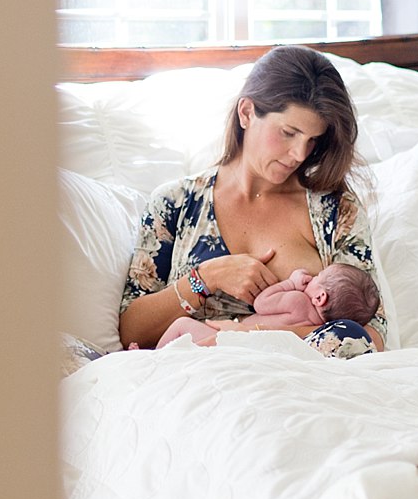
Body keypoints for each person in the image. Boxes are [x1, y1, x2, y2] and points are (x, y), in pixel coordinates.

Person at [117, 44, 386, 359]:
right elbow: (131, 331)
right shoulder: (174, 204)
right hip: (196, 376)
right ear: (246, 113)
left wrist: (249, 337)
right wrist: (207, 278)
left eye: (312, 140)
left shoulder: (336, 209)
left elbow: (369, 334)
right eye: (289, 132)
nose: (300, 154)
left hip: (298, 380)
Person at [155, 263, 381, 349]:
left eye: (316, 277)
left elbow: (261, 303)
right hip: (247, 348)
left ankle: (151, 357)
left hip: (231, 339)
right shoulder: (319, 328)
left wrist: (290, 283)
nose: (310, 278)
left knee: (182, 325)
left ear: (320, 297)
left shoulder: (298, 300)